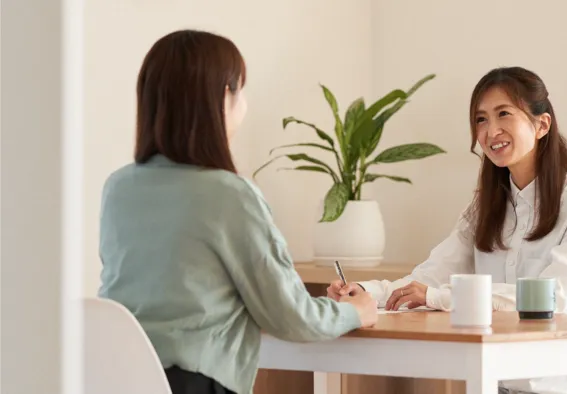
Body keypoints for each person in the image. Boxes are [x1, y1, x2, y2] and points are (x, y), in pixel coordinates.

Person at [98, 29, 378, 394]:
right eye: (240, 89)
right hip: (195, 383)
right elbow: (290, 317)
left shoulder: (118, 188)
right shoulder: (229, 194)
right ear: (224, 96)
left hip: (114, 379)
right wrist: (357, 311)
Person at [327, 67, 567, 394]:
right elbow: (429, 276)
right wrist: (367, 293)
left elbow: (552, 297)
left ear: (542, 125)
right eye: (481, 119)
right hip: (498, 383)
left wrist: (439, 298)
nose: (490, 130)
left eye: (503, 114)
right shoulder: (484, 210)